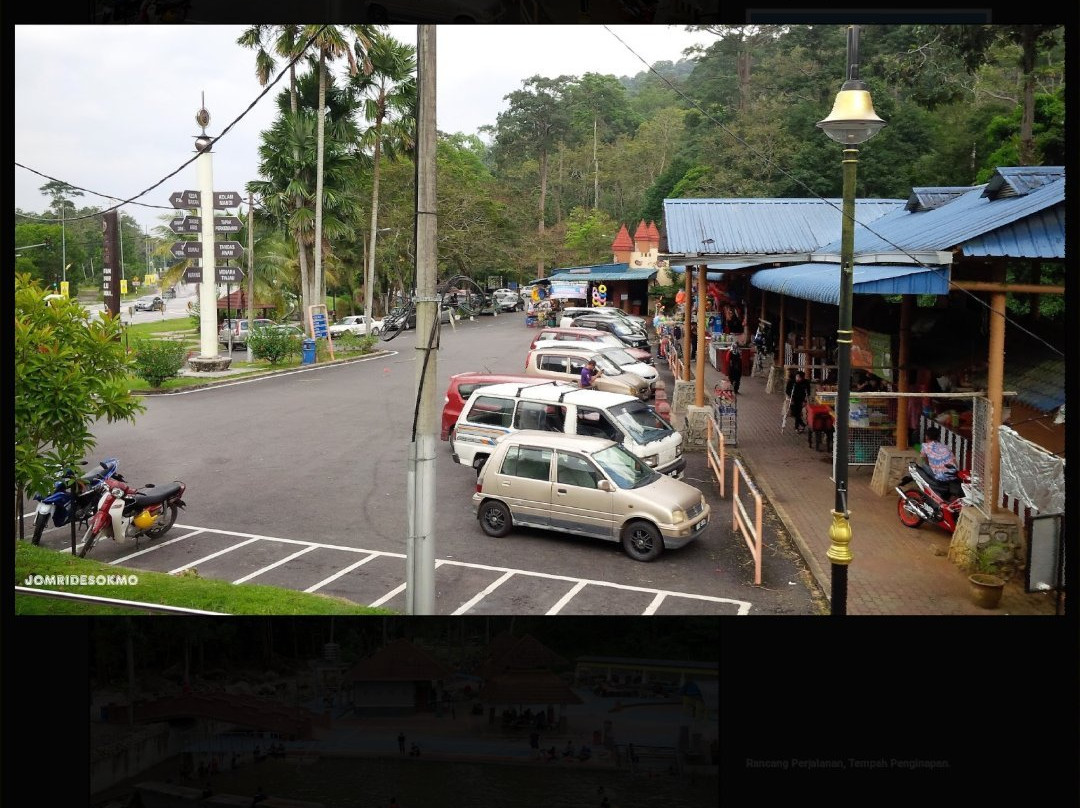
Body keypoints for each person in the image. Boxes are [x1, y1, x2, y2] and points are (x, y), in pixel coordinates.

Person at [920, 425, 961, 497]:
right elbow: (955, 463)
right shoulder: (945, 447)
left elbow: (925, 460)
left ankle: (929, 488)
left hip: (939, 477)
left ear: (926, 436)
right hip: (953, 475)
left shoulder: (924, 446)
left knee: (923, 465)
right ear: (938, 437)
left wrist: (932, 464)